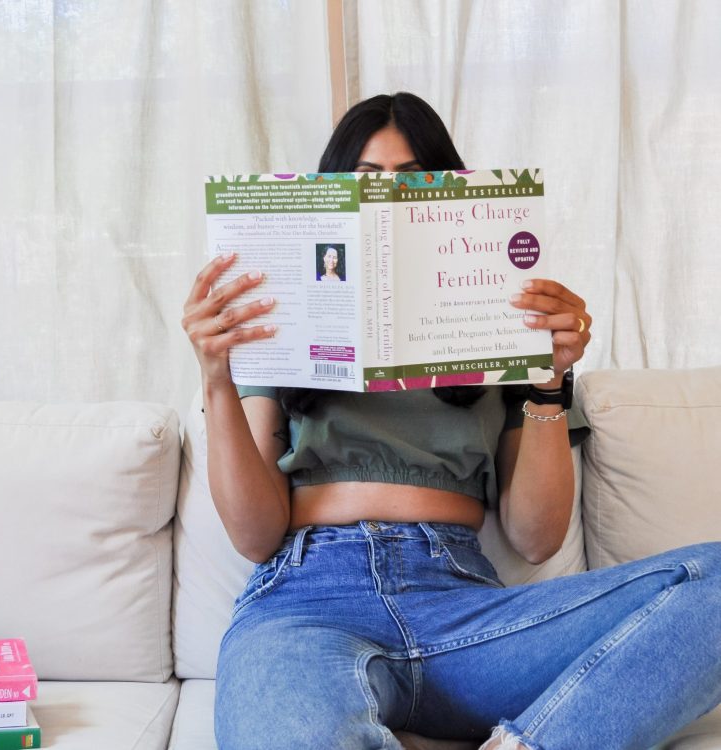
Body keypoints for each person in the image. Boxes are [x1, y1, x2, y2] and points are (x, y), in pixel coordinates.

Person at [182, 93, 721, 750]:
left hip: (465, 610)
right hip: (308, 601)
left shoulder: (507, 327)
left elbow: (536, 537)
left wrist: (548, 385)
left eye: (410, 182)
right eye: (365, 184)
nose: (385, 202)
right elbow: (253, 531)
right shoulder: (281, 333)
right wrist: (216, 375)